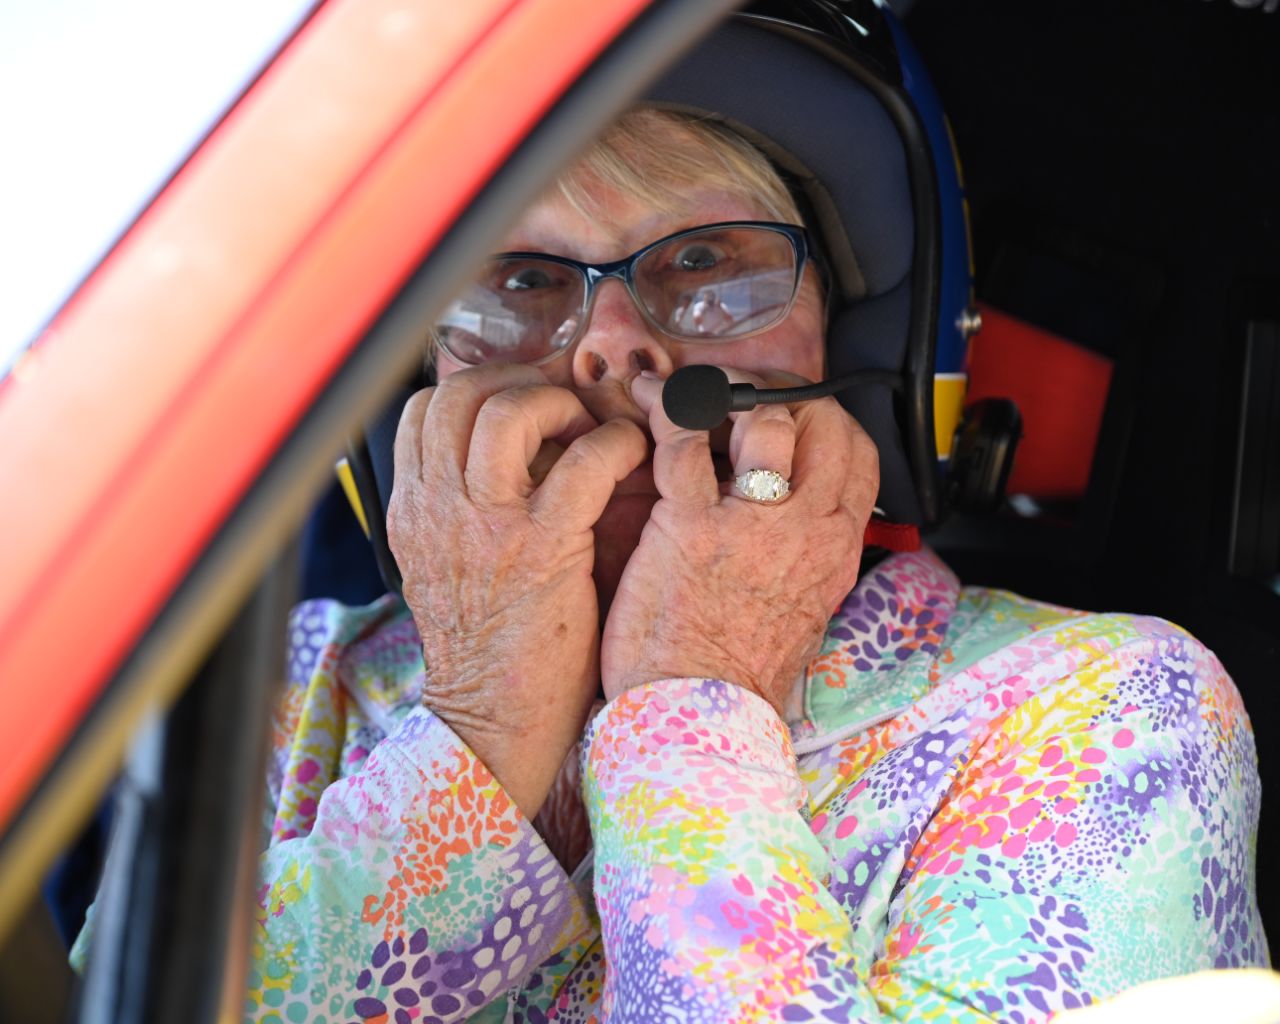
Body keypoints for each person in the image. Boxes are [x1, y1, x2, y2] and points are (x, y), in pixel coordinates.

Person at [240, 98, 1267, 1024]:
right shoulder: (285, 688)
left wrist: (693, 707)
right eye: (518, 280)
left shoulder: (1103, 707)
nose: (609, 345)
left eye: (700, 264)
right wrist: (479, 728)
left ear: (867, 344)